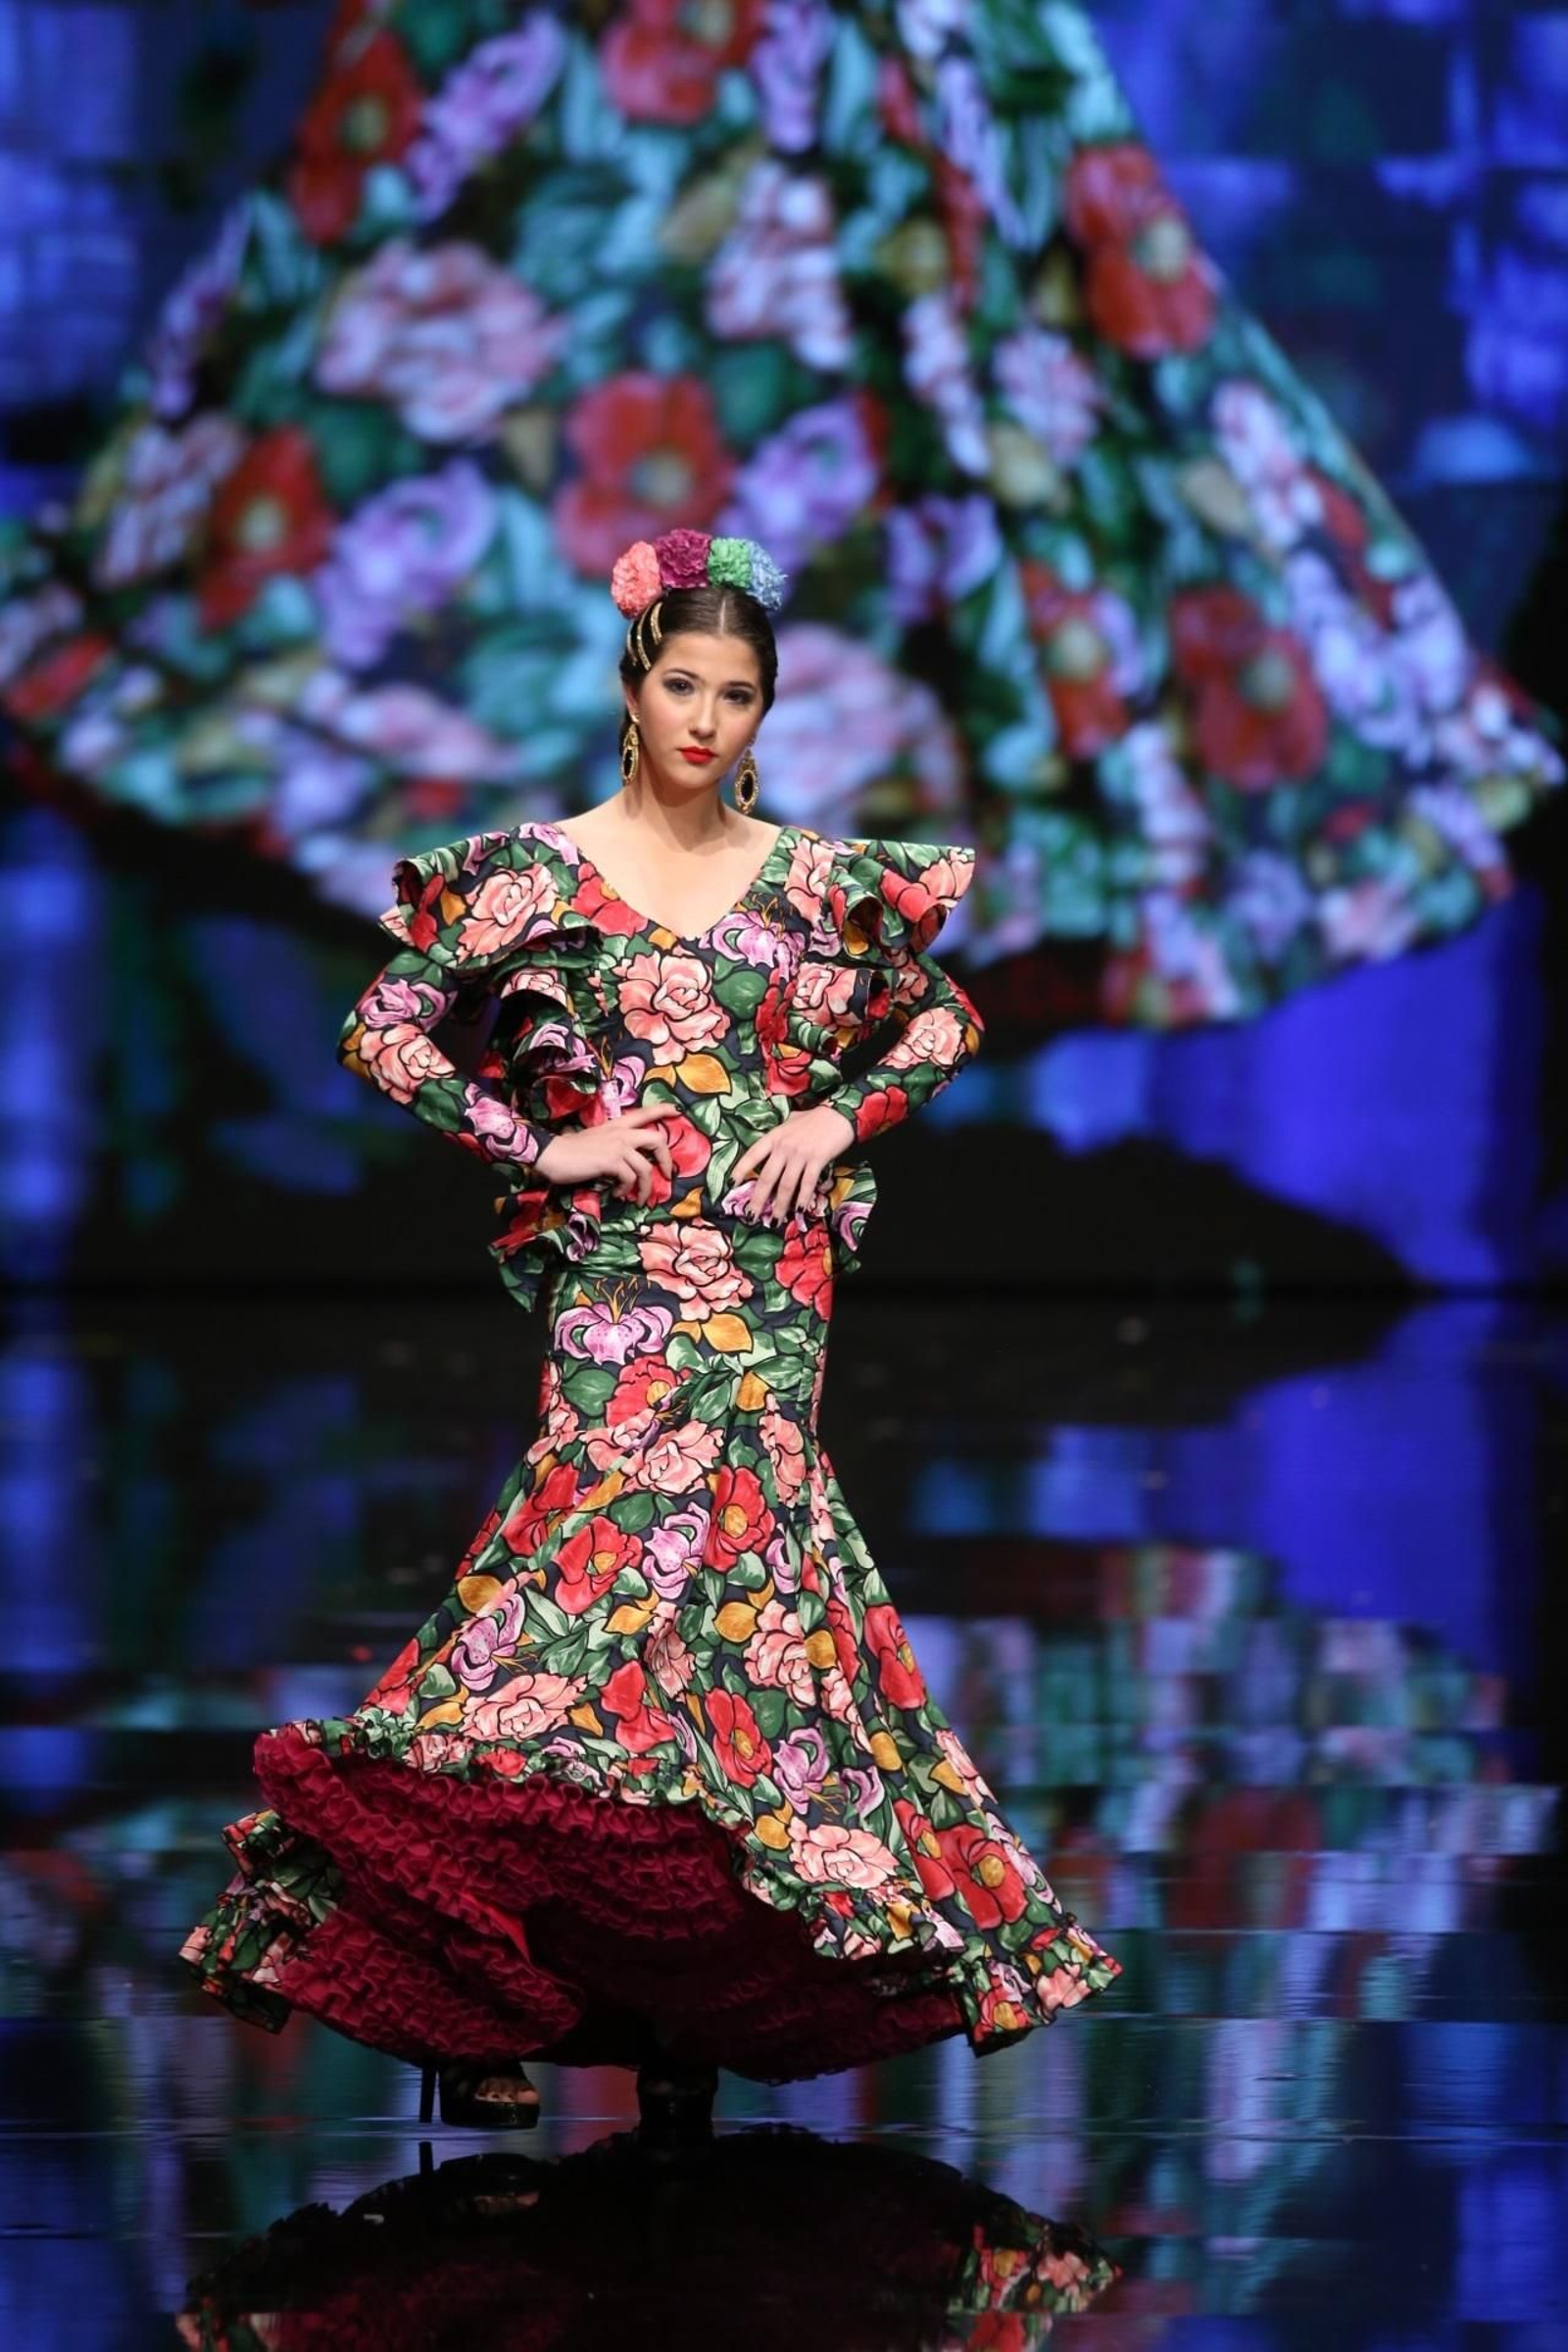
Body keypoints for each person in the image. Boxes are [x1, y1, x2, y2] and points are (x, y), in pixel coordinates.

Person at [177, 526, 1123, 2132]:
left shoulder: (818, 880)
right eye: (682, 682)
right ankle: (466, 1984)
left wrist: (837, 1123)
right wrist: (534, 1146)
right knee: (575, 1595)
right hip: (621, 1280)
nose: (706, 717)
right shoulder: (540, 876)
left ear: (766, 711)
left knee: (743, 1628)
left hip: (770, 1280)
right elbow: (384, 1027)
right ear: (634, 683)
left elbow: (946, 1013)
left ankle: (672, 1996)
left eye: (737, 693)